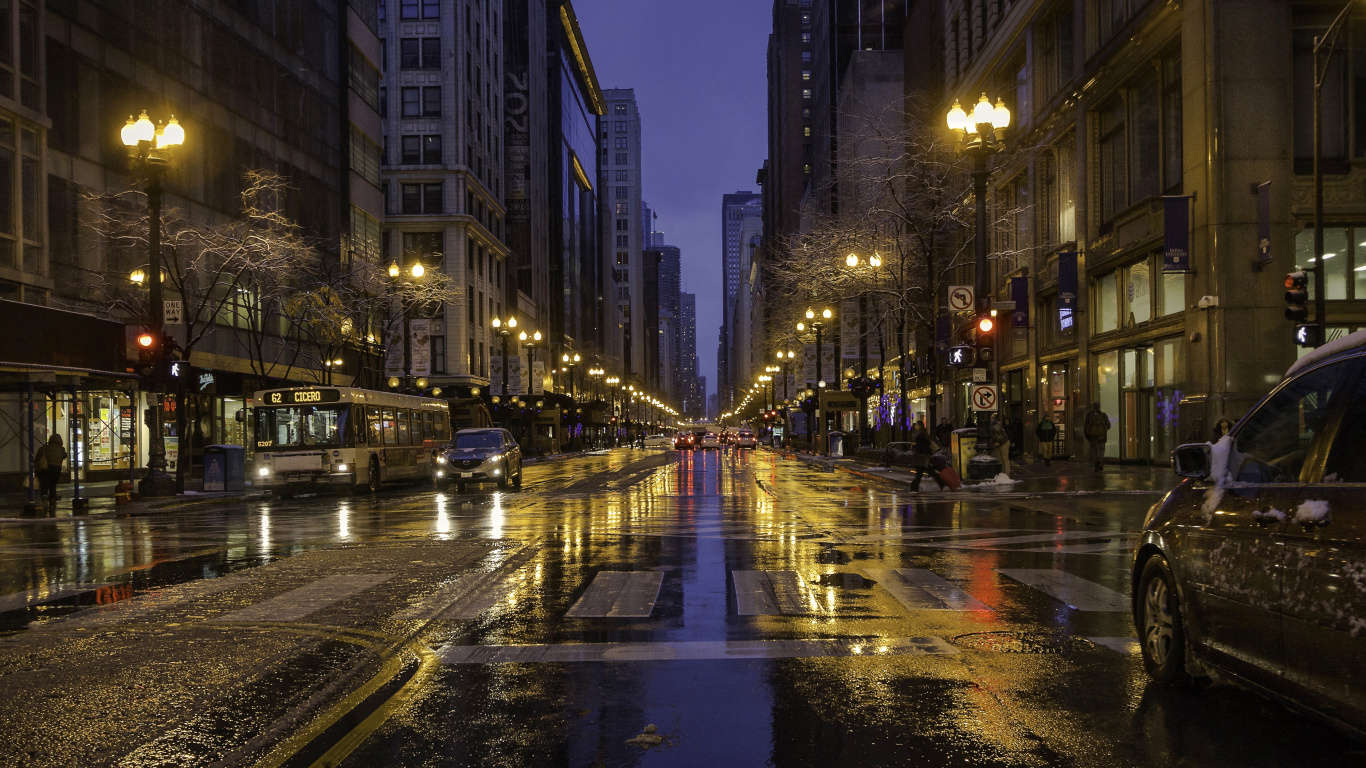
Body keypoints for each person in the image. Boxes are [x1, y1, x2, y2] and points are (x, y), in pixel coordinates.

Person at [908, 420, 945, 492]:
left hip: (922, 457)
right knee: (930, 472)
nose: (915, 426)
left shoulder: (921, 435)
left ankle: (914, 488)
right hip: (923, 457)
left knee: (920, 474)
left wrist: (915, 444)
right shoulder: (922, 434)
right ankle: (941, 483)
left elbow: (923, 445)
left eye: (917, 425)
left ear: (920, 426)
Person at [34, 434, 66, 503]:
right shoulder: (62, 449)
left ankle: (44, 495)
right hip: (57, 468)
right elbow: (64, 455)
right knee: (53, 483)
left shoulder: (44, 447)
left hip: (45, 468)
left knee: (44, 482)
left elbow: (38, 457)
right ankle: (52, 497)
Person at [1084, 402, 1111, 472]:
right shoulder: (1103, 415)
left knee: (1094, 450)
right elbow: (1109, 426)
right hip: (1102, 435)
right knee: (1102, 449)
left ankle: (1096, 465)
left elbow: (1086, 426)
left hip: (1093, 436)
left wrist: (1087, 435)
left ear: (1093, 407)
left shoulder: (1089, 415)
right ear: (1099, 407)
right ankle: (1100, 463)